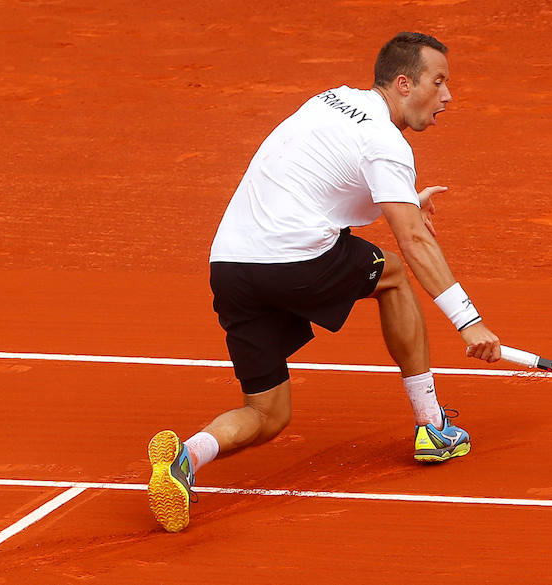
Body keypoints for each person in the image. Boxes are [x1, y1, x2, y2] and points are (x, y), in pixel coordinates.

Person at [147, 32, 501, 533]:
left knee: (268, 413)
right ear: (403, 83)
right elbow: (414, 242)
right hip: (292, 259)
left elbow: (327, 186)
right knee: (394, 276)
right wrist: (469, 323)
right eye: (438, 81)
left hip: (231, 266)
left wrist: (405, 198)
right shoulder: (387, 143)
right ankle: (432, 426)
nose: (448, 96)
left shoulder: (329, 100)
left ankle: (185, 458)